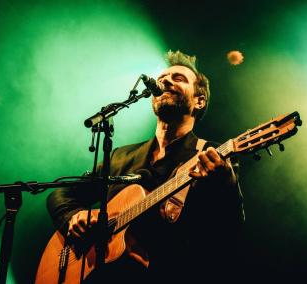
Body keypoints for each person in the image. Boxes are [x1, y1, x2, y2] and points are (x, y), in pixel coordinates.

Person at [46, 50, 245, 283]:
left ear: (199, 101)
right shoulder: (121, 156)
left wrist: (226, 183)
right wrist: (74, 216)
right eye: (162, 79)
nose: (165, 81)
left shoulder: (210, 154)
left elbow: (230, 230)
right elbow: (60, 193)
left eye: (178, 78)